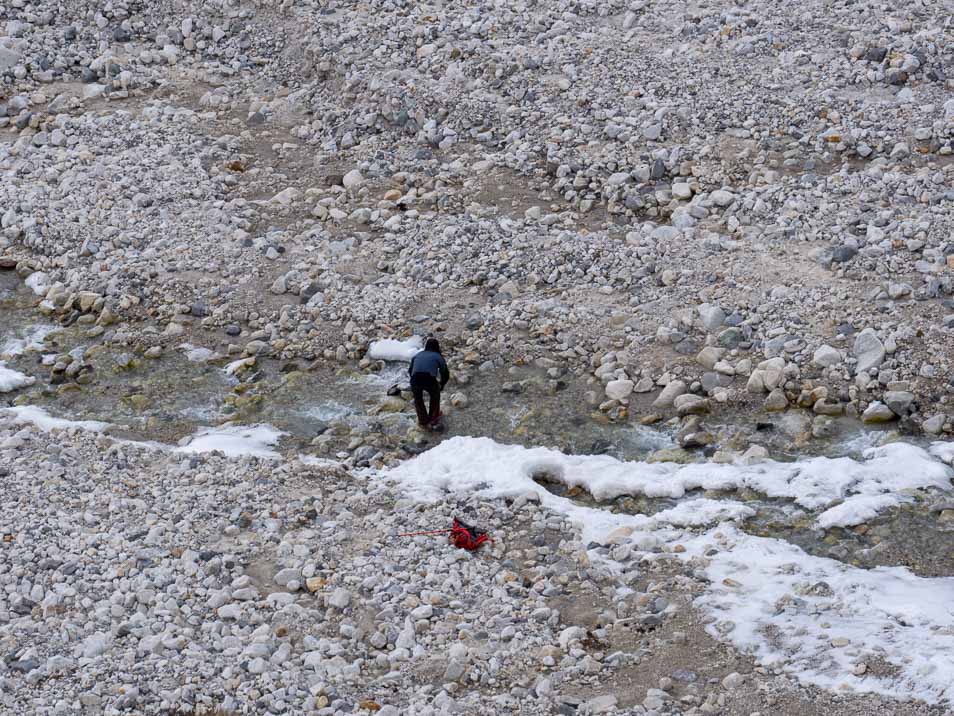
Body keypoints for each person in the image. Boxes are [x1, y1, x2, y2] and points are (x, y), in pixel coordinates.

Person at [408, 337, 449, 430]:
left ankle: (423, 420)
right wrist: (442, 385)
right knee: (435, 395)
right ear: (437, 347)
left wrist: (414, 383)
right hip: (428, 379)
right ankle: (433, 418)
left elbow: (410, 371)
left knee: (418, 400)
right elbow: (445, 373)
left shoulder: (417, 355)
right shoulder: (438, 356)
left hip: (415, 379)